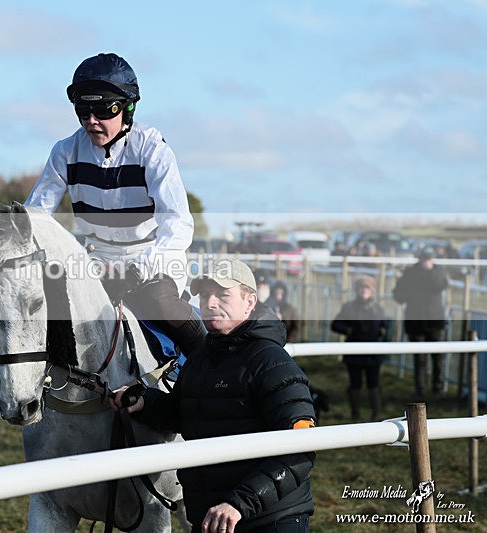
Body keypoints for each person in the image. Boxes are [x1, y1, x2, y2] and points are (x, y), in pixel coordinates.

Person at [112, 257, 316, 532]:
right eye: (205, 294)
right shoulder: (200, 358)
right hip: (213, 518)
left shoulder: (272, 363)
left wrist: (239, 503)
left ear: (250, 301)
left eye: (223, 295)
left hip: (268, 520)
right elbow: (186, 414)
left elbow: (300, 450)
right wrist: (145, 402)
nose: (209, 303)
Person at [25, 52, 204, 356]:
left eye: (103, 110)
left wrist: (136, 271)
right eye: (83, 110)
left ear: (127, 108)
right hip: (97, 261)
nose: (92, 121)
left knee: (160, 300)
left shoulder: (152, 149)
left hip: (152, 259)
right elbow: (37, 216)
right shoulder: (64, 152)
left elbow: (178, 224)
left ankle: (209, 362)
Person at [331, 275, 390, 421]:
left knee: (374, 384)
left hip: (373, 353)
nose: (364, 290)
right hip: (354, 353)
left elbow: (386, 327)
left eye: (367, 288)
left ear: (372, 291)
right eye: (361, 288)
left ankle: (376, 415)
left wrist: (383, 331)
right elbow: (335, 324)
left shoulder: (378, 309)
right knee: (355, 384)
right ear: (357, 290)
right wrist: (348, 330)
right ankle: (355, 414)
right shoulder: (349, 307)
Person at [393, 249, 449, 398]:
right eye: (424, 258)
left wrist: (431, 271)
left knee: (437, 358)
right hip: (415, 321)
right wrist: (408, 296)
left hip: (434, 321)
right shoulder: (410, 273)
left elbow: (440, 286)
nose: (426, 261)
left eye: (429, 258)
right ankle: (421, 390)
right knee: (420, 359)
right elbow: (398, 294)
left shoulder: (438, 272)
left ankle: (438, 388)